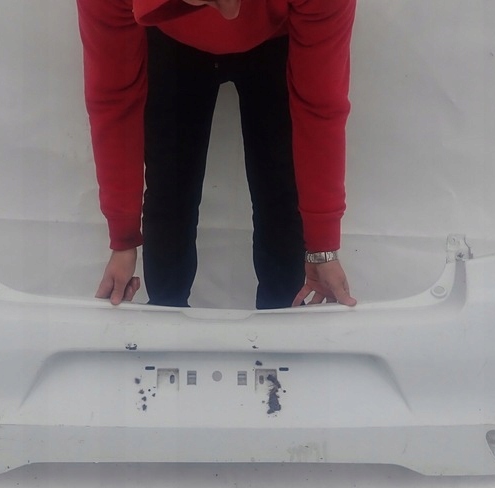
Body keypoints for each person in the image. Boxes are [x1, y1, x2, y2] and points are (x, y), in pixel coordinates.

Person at [76, 0, 357, 309]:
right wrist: (123, 240)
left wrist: (322, 249)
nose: (230, 16)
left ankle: (281, 322)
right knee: (169, 190)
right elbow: (114, 96)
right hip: (171, 39)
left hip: (277, 37)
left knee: (281, 192)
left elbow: (320, 104)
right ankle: (165, 317)